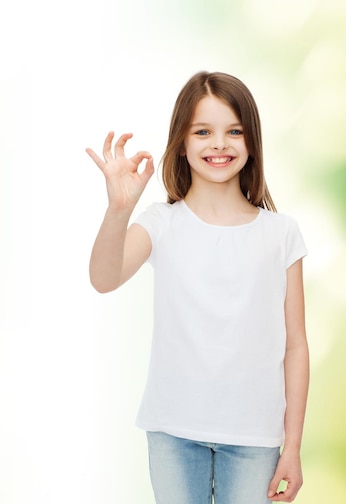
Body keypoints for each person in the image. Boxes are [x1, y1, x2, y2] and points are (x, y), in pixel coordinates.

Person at [87, 71, 309, 504]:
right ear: (182, 143)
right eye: (203, 131)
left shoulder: (281, 234)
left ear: (252, 142)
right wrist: (119, 209)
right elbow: (103, 279)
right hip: (173, 432)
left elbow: (296, 346)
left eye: (234, 131)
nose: (219, 144)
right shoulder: (161, 222)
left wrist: (294, 447)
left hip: (254, 436)